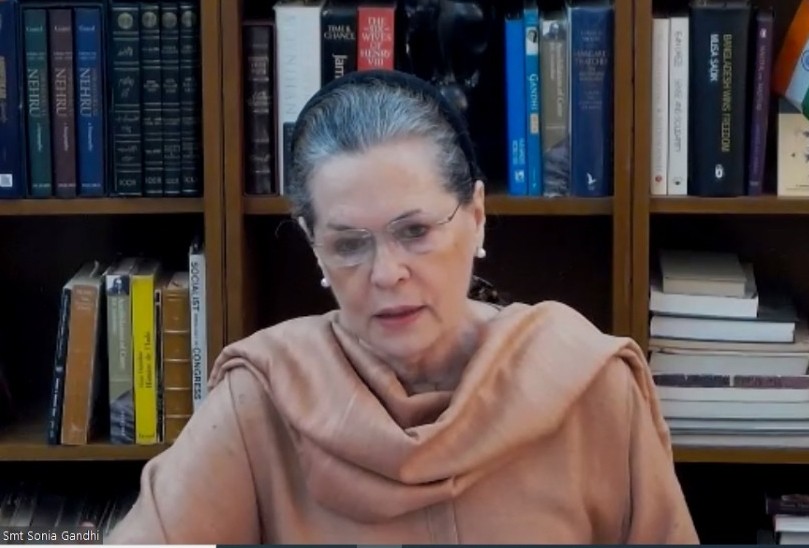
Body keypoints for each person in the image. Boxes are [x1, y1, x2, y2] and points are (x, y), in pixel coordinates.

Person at [105, 70, 698, 545]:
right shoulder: (261, 399)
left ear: (477, 215)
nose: (386, 273)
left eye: (414, 230)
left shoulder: (592, 387)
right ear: (315, 246)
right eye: (348, 244)